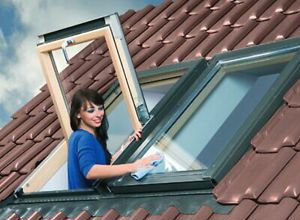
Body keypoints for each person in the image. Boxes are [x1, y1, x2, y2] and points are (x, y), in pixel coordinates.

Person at [67, 88, 158, 190]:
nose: (98, 114)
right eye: (91, 110)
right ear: (77, 114)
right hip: (90, 203)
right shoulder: (85, 138)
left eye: (100, 108)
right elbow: (90, 171)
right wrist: (133, 166)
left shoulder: (81, 137)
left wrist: (127, 145)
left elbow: (106, 165)